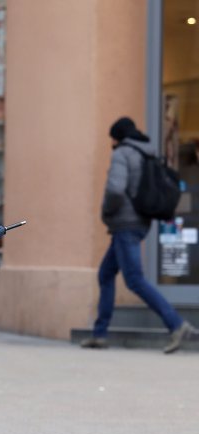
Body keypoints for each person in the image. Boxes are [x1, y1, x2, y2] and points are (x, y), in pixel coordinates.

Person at [81, 117, 196, 353]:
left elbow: (115, 189)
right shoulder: (147, 152)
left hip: (126, 224)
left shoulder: (123, 153)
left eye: (112, 137)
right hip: (139, 222)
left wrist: (107, 212)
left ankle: (177, 325)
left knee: (134, 280)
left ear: (118, 136)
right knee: (105, 274)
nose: (111, 142)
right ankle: (99, 334)